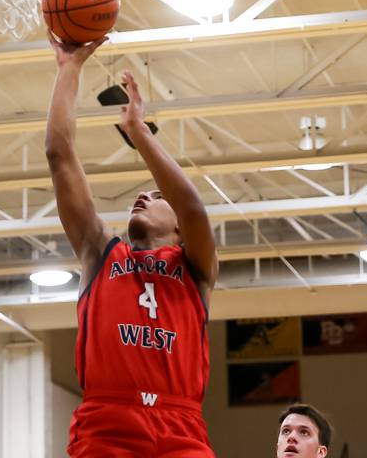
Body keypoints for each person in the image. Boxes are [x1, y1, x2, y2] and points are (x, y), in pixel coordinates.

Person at [45, 35, 219, 457]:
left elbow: (193, 207)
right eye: (142, 196)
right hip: (108, 422)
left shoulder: (195, 266)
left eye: (158, 198)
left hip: (181, 425)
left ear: (178, 229)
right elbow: (59, 155)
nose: (144, 198)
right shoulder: (99, 252)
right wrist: (69, 69)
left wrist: (138, 132)